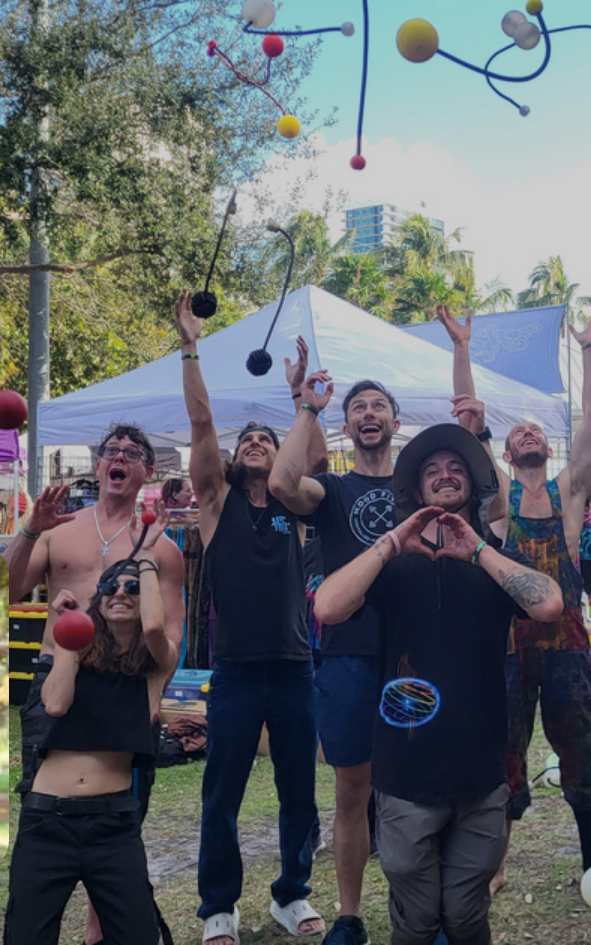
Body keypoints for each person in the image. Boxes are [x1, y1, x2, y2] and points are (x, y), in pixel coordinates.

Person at [269, 308, 482, 945]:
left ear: (394, 422)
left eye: (378, 406)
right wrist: (304, 406)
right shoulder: (331, 491)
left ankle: (424, 915)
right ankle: (350, 915)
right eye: (357, 407)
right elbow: (282, 482)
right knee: (352, 788)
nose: (368, 413)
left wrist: (461, 351)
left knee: (420, 788)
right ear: (347, 424)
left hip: (418, 654)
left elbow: (466, 432)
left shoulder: (421, 490)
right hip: (349, 655)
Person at [314, 424, 563, 945]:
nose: (445, 475)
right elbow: (328, 607)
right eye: (432, 470)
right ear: (416, 489)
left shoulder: (494, 561)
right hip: (405, 773)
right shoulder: (392, 565)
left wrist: (476, 549)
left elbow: (548, 604)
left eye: (455, 468)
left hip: (480, 773)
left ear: (474, 484)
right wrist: (391, 541)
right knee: (416, 918)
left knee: (467, 916)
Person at [168, 294, 324, 942]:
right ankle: (218, 907)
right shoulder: (215, 499)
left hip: (293, 668)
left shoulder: (295, 504)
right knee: (222, 793)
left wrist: (300, 401)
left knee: (299, 792)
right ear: (235, 457)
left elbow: (312, 461)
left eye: (267, 439)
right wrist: (190, 345)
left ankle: (292, 895)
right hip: (234, 671)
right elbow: (202, 421)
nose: (257, 443)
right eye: (249, 440)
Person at [6, 412, 186, 945]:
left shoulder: (163, 548)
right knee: (46, 794)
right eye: (113, 450)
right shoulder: (60, 529)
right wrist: (30, 528)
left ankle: (102, 927)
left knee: (121, 805)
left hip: (127, 676)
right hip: (57, 669)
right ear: (100, 464)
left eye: (133, 453)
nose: (120, 457)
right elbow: (7, 588)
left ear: (147, 472)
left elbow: (169, 631)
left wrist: (156, 693)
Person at [487, 309, 591, 893]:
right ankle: (496, 866)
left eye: (536, 431)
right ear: (507, 453)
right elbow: (469, 425)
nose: (529, 434)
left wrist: (589, 349)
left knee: (581, 748)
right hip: (510, 648)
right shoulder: (501, 500)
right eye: (519, 433)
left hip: (568, 645)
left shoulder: (568, 493)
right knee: (505, 753)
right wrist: (463, 352)